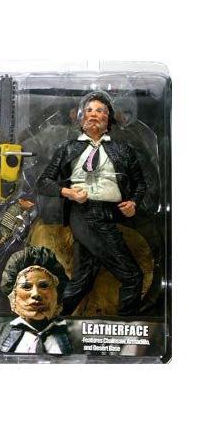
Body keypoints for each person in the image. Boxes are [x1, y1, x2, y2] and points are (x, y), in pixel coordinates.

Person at [36, 90, 146, 316]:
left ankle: (50, 318)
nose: (94, 114)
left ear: (109, 118)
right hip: (85, 213)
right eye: (89, 110)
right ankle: (127, 324)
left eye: (100, 111)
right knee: (132, 276)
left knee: (82, 280)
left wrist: (133, 203)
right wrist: (68, 192)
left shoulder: (123, 150)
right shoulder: (68, 148)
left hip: (110, 212)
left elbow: (141, 184)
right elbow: (43, 182)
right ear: (81, 117)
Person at [0, 246, 71, 355]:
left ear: (57, 292)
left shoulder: (77, 334)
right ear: (13, 294)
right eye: (26, 287)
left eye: (44, 286)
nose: (36, 294)